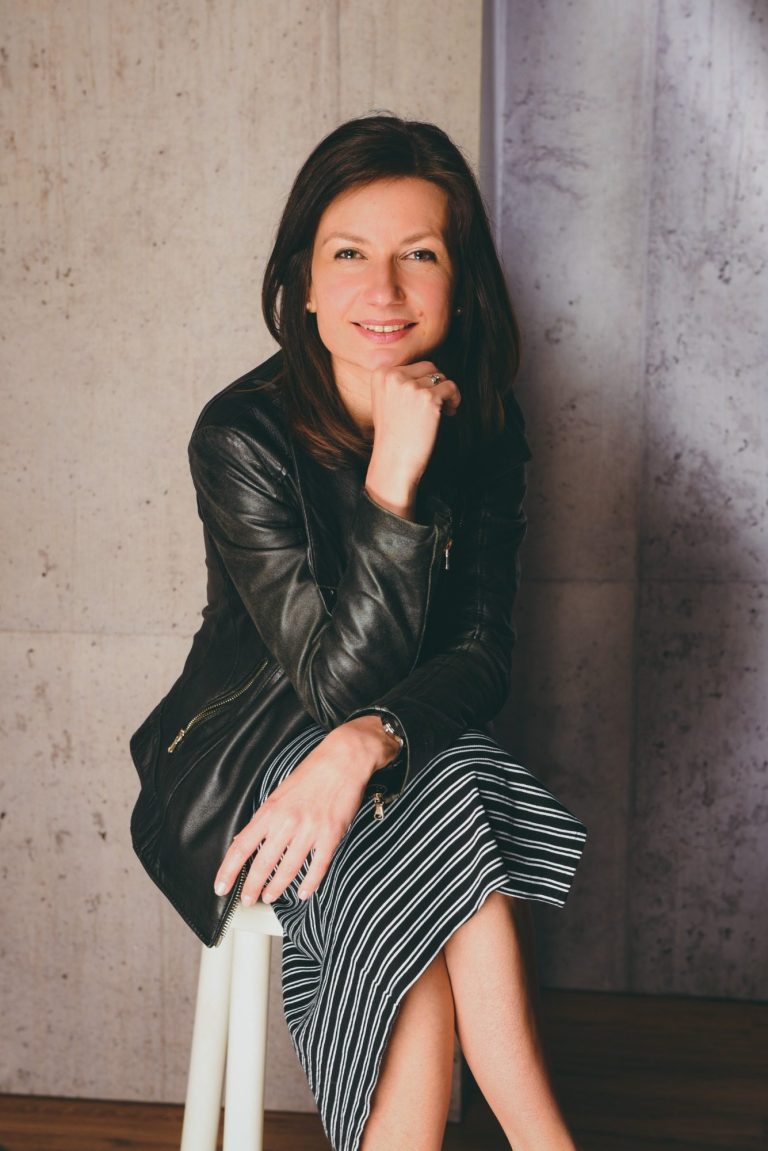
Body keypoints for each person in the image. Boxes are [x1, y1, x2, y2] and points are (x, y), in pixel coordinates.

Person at [131, 114, 588, 1151]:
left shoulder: (487, 421)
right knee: (444, 806)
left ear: (459, 283)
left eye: (418, 255)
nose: (382, 289)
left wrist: (366, 744)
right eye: (348, 254)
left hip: (392, 758)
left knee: (426, 825)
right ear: (302, 278)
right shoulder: (240, 435)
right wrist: (393, 482)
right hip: (242, 765)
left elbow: (482, 654)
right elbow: (334, 685)